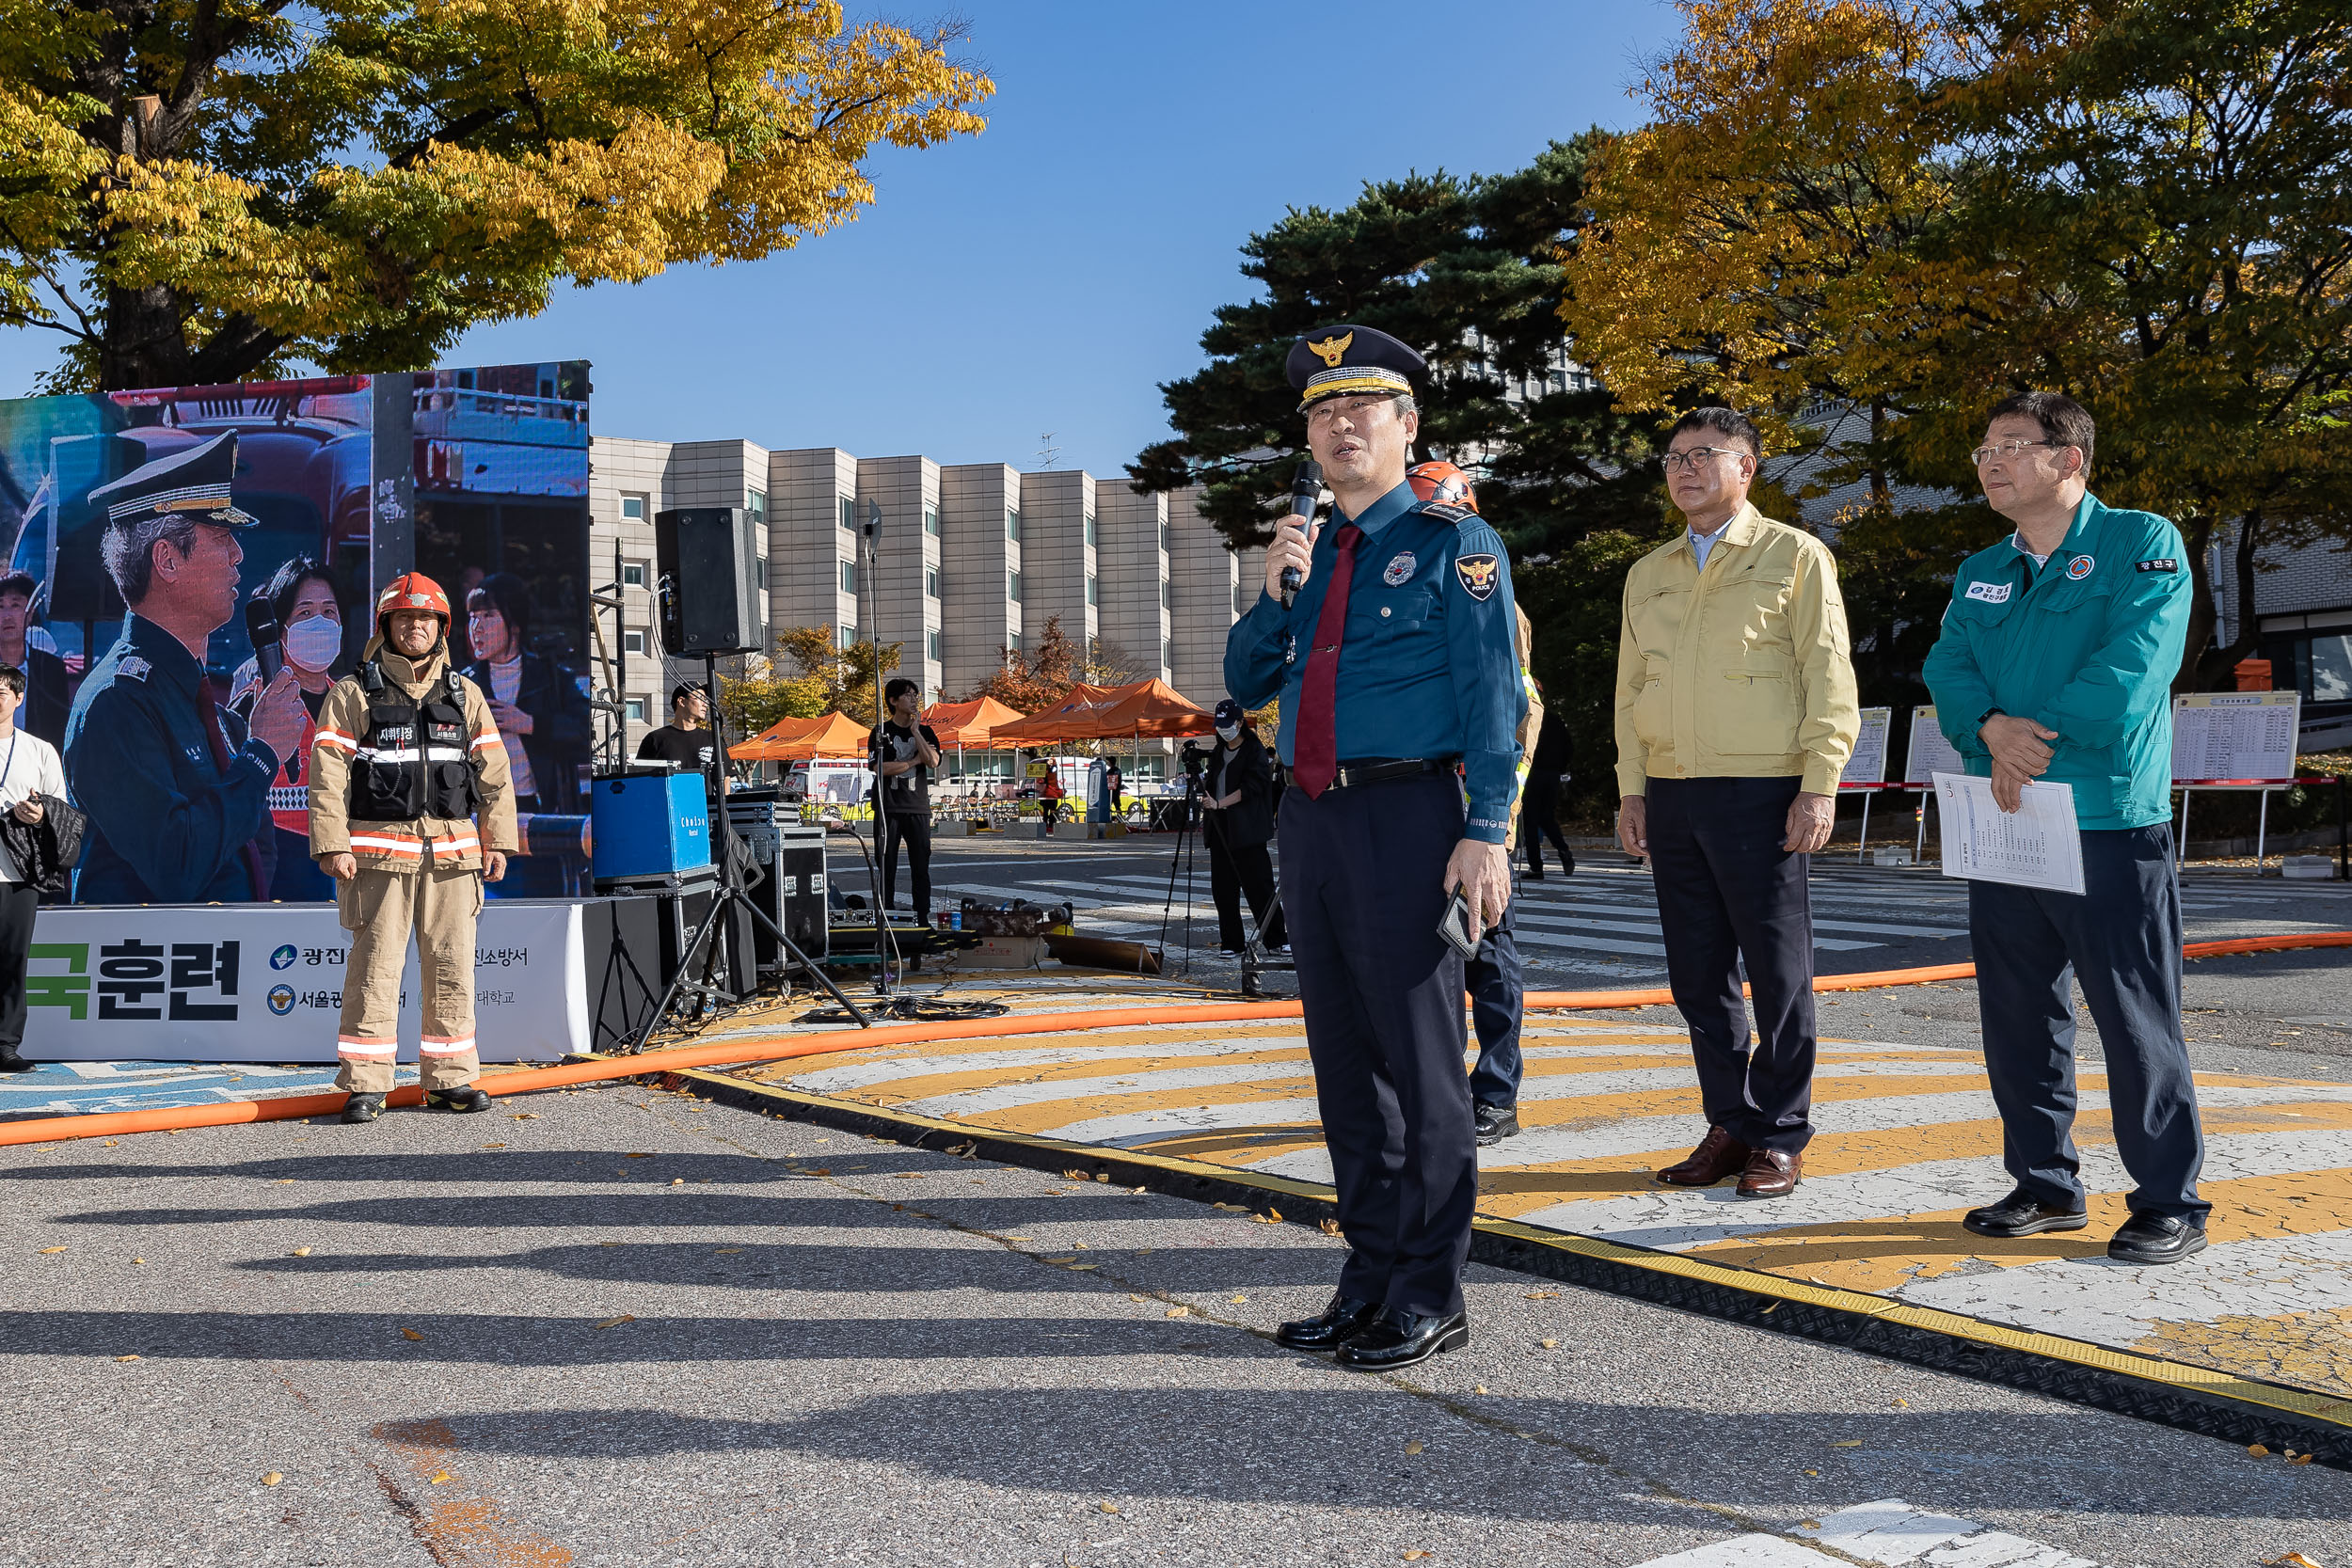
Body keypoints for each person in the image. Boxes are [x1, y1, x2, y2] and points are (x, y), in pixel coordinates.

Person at [1226, 322, 1524, 1371]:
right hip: (1310, 820)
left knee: (1422, 1062)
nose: (1339, 423)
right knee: (1346, 1066)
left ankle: (1429, 1287)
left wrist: (1487, 829)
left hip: (1411, 818)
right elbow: (1245, 679)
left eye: (1361, 408)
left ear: (1408, 427)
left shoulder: (1456, 546)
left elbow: (1495, 699)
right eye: (1321, 411)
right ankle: (1369, 1271)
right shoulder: (1311, 554)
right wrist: (1275, 590)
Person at [1921, 391, 2208, 1265]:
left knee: (2133, 1015)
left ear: (2070, 458)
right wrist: (1989, 732)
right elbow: (1948, 661)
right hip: (2004, 817)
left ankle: (2169, 1197)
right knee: (2016, 1013)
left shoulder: (2139, 542)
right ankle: (2045, 1182)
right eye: (1983, 448)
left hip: (2107, 817)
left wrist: (2020, 738)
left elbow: (2130, 670)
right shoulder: (1981, 568)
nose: (1990, 461)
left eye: (2012, 445)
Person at [1614, 406, 1859, 1200]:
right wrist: (1632, 786)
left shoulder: (1794, 556)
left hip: (1763, 792)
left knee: (1777, 973)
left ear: (1746, 468)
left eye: (1705, 455)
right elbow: (1631, 693)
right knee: (1698, 975)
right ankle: (1730, 1121)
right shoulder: (1647, 572)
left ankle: (1781, 1132)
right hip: (1674, 792)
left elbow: (1829, 674)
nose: (1685, 469)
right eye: (1674, 458)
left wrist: (1820, 782)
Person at [63, 434, 310, 903]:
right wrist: (260, 756)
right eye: (221, 537)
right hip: (147, 972)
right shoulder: (116, 701)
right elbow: (176, 862)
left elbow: (255, 855)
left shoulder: (215, 713)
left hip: (221, 966)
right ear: (167, 560)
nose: (238, 555)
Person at [310, 573, 517, 1123]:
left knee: (453, 969)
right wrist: (332, 843)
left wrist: (498, 841)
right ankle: (365, 1085)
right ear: (386, 626)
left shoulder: (466, 694)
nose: (415, 627)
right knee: (375, 969)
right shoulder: (353, 692)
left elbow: (495, 774)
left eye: (426, 619)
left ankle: (450, 1080)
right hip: (375, 859)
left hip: (453, 858)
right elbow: (328, 774)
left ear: (441, 627)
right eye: (404, 619)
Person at [1466, 607, 1545, 1145]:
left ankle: (1496, 1095)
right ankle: (1448, 1092)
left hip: (1484, 839)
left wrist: (1491, 832)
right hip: (1433, 832)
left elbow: (1510, 766)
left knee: (1490, 966)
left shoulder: (1516, 692)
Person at [461, 572, 589, 895]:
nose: (477, 627)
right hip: (483, 816)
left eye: (488, 616)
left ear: (514, 624)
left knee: (544, 906)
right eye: (472, 617)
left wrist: (531, 724)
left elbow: (584, 730)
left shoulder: (552, 677)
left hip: (541, 812)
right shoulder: (462, 684)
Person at [230, 558, 349, 901]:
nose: (320, 623)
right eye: (305, 613)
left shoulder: (353, 706)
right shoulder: (252, 707)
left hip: (343, 877)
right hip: (275, 878)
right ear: (281, 629)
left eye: (329, 612)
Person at [0, 665, 65, 1072]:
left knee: (11, 959)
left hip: (17, 870)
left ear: (18, 698)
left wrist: (38, 813)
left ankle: (5, 1044)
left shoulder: (39, 750)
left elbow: (61, 805)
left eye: (1, 692)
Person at [1200, 698, 1284, 954]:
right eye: (1219, 725)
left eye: (1227, 725)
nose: (1223, 730)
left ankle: (1277, 939)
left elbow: (1252, 788)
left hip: (1247, 829)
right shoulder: (1218, 752)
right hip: (1220, 828)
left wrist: (1219, 803)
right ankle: (1232, 942)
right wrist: (1211, 804)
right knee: (1223, 891)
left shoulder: (1254, 750)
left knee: (1259, 887)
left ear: (1239, 723)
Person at [867, 677, 942, 917]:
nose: (914, 700)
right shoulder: (880, 732)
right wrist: (912, 761)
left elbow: (932, 761)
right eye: (908, 695)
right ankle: (886, 918)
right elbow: (880, 768)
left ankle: (922, 918)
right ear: (893, 700)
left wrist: (916, 733)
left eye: (915, 695)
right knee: (887, 865)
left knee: (921, 867)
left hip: (918, 807)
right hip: (888, 807)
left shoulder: (927, 731)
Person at [0, 574, 69, 749]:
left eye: (15, 605)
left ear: (30, 613)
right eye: (0, 606)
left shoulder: (51, 669)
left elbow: (59, 734)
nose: (7, 616)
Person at [1522, 710, 1574, 879]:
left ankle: (1536, 867)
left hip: (1533, 772)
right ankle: (1564, 851)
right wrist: (1560, 768)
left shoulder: (1527, 717)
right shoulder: (1555, 719)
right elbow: (1569, 746)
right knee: (1547, 818)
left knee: (1530, 822)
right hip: (1552, 775)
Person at [636, 683, 717, 773]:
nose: (705, 704)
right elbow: (640, 775)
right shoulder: (655, 739)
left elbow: (726, 777)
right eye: (700, 698)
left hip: (703, 788)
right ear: (681, 701)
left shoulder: (713, 739)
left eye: (706, 700)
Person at [1037, 764, 1065, 830]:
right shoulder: (1053, 775)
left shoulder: (1044, 776)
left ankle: (1046, 825)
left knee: (1046, 811)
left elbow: (1041, 783)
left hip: (1047, 795)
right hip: (1052, 795)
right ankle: (1050, 825)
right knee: (1051, 811)